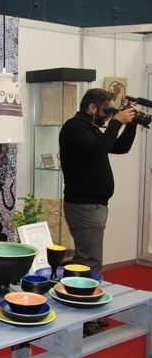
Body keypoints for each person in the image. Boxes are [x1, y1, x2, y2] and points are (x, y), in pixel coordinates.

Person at [60, 88, 136, 273]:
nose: (108, 116)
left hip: (92, 206)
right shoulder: (75, 127)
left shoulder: (89, 128)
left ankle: (75, 288)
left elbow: (120, 147)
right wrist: (116, 122)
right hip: (84, 206)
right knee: (90, 263)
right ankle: (81, 291)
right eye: (106, 110)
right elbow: (99, 149)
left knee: (85, 259)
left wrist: (131, 124)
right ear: (92, 108)